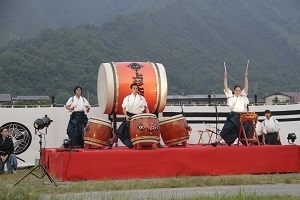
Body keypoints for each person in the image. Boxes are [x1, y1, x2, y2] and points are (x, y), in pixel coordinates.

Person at [211, 70, 249, 146]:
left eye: (239, 90)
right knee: (227, 127)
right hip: (233, 116)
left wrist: (246, 77)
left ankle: (248, 141)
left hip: (242, 116)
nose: (238, 91)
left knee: (246, 128)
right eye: (236, 90)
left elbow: (246, 87)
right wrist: (225, 77)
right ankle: (217, 141)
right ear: (234, 91)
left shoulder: (243, 97)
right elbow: (225, 87)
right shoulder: (231, 97)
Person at [108, 83, 149, 149]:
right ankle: (111, 143)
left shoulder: (142, 98)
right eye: (134, 88)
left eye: (136, 88)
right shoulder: (127, 98)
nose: (135, 90)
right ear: (131, 89)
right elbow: (124, 108)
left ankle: (156, 142)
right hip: (129, 116)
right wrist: (126, 115)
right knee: (120, 130)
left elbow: (146, 107)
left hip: (139, 117)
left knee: (146, 129)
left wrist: (148, 116)